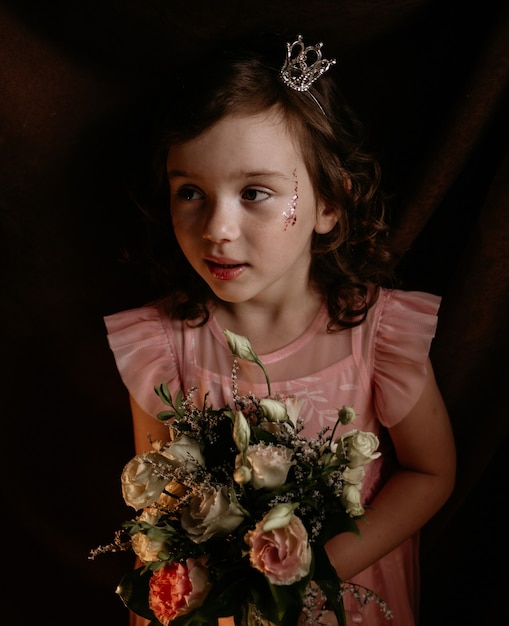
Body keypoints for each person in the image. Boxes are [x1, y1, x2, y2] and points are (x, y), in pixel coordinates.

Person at [104, 32, 456, 626]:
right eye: (190, 191)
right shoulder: (162, 347)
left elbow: (431, 471)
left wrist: (310, 571)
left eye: (254, 193)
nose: (217, 227)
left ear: (328, 203)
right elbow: (159, 502)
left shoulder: (378, 334)